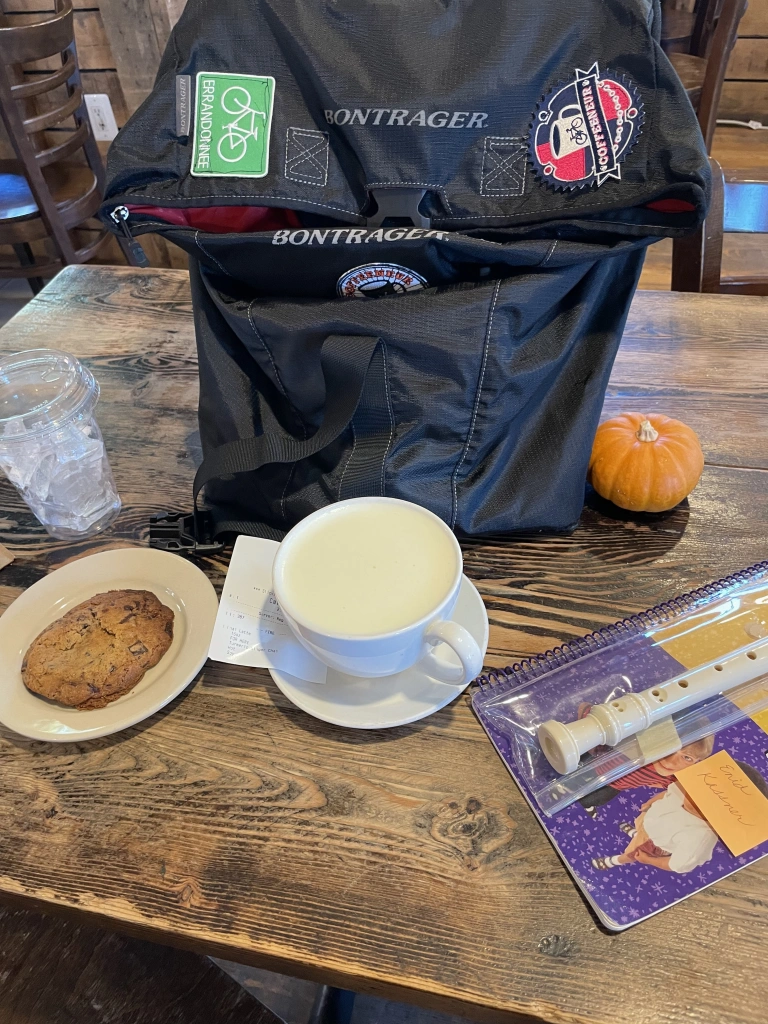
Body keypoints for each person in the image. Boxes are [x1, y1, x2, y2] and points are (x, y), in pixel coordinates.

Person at [591, 760, 768, 874]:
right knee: (640, 828)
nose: (695, 797)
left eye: (709, 802)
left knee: (632, 852)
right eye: (703, 787)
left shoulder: (699, 838)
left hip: (656, 844)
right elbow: (670, 792)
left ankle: (614, 861)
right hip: (651, 819)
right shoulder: (687, 787)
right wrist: (651, 803)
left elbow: (677, 865)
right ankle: (636, 832)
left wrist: (648, 859)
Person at [579, 735, 715, 819]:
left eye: (686, 757)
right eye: (669, 747)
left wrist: (643, 782)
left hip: (615, 786)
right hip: (595, 766)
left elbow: (664, 785)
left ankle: (589, 805)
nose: (670, 761)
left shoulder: (673, 777)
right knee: (577, 777)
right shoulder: (635, 747)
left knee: (591, 800)